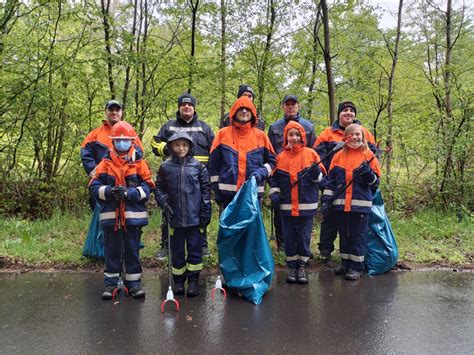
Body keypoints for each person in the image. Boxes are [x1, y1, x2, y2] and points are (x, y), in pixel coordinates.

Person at [89, 121, 154, 299]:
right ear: (113, 141)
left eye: (125, 140)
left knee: (132, 251)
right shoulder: (104, 163)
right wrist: (109, 191)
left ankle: (133, 284)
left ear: (132, 141)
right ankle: (111, 285)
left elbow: (148, 187)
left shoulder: (140, 163)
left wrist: (130, 193)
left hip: (133, 218)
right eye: (118, 140)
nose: (122, 143)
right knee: (112, 251)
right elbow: (93, 187)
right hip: (111, 217)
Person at [151, 93, 214, 260]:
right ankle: (166, 246)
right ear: (179, 108)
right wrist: (167, 150)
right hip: (173, 178)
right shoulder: (168, 127)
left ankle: (202, 245)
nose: (187, 107)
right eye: (183, 105)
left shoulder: (204, 128)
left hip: (198, 179)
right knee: (169, 212)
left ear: (194, 108)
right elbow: (154, 144)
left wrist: (212, 176)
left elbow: (214, 151)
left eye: (190, 105)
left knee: (200, 212)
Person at [314, 101, 378, 261]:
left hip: (358, 190)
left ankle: (355, 262)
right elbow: (317, 157)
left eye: (351, 111)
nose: (348, 113)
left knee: (355, 230)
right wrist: (324, 182)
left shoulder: (364, 132)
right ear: (339, 114)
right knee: (330, 221)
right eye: (345, 110)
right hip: (334, 184)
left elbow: (373, 157)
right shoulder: (327, 133)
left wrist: (367, 177)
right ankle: (325, 251)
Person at [320, 123, 381, 280]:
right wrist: (326, 201)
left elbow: (375, 184)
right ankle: (346, 263)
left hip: (360, 206)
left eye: (358, 134)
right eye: (352, 134)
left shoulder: (369, 156)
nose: (355, 137)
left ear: (363, 136)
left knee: (357, 236)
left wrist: (368, 174)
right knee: (344, 235)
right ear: (346, 136)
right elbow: (331, 182)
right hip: (340, 205)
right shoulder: (338, 156)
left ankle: (356, 267)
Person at [155, 132, 211, 297]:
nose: (181, 148)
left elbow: (206, 190)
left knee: (195, 250)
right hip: (175, 218)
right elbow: (158, 188)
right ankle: (178, 281)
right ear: (171, 146)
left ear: (190, 147)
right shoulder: (165, 167)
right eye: (177, 145)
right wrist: (164, 203)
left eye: (185, 145)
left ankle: (193, 281)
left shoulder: (198, 167)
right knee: (177, 251)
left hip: (195, 218)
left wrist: (206, 211)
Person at [269, 121, 325, 284]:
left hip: (306, 207)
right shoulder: (280, 157)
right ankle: (291, 266)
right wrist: (274, 194)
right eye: (291, 135)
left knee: (303, 237)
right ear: (286, 137)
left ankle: (302, 266)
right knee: (288, 237)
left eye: (297, 134)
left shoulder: (311, 154)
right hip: (286, 207)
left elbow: (320, 179)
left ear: (302, 136)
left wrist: (316, 172)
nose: (294, 137)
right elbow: (274, 180)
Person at [267, 95, 316, 251]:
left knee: (304, 218)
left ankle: (302, 249)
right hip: (281, 174)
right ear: (283, 107)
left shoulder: (308, 126)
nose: (290, 107)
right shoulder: (274, 127)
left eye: (293, 104)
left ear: (298, 106)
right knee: (281, 213)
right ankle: (283, 246)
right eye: (287, 104)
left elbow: (312, 151)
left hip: (303, 178)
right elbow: (269, 152)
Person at [209, 96, 276, 209]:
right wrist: (216, 190)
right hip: (227, 197)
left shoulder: (261, 136)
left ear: (252, 113)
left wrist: (261, 172)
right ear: (234, 112)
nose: (244, 111)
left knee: (251, 227)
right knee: (229, 227)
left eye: (247, 109)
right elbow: (213, 166)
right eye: (241, 108)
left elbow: (272, 163)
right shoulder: (222, 134)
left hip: (253, 195)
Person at [81, 100, 144, 210]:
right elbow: (85, 154)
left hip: (127, 185)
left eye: (117, 110)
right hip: (104, 183)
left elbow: (139, 155)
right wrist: (95, 172)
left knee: (128, 219)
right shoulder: (95, 134)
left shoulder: (131, 133)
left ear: (121, 112)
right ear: (106, 112)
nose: (114, 112)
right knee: (103, 218)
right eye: (111, 109)